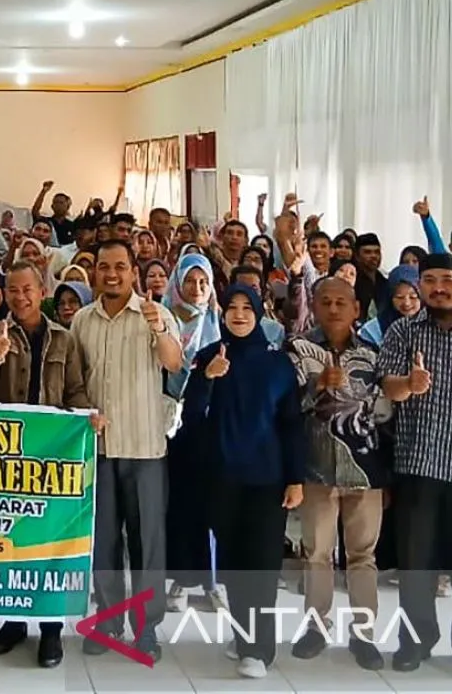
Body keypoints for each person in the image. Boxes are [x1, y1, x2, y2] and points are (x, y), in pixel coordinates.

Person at [182, 285, 305, 679]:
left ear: (258, 313)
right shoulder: (209, 356)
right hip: (222, 478)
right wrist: (207, 379)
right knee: (234, 564)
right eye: (231, 308)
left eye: (246, 308)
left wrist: (295, 477)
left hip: (267, 480)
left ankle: (258, 650)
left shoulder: (277, 364)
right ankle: (243, 635)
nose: (238, 315)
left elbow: (291, 424)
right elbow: (190, 417)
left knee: (262, 565)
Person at [0, 261, 97, 667]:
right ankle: (14, 622)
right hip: (9, 457)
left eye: (27, 289)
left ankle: (51, 629)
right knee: (12, 540)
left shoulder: (64, 338)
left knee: (51, 543)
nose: (20, 297)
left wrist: (87, 418)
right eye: (12, 290)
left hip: (52, 458)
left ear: (41, 291)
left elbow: (75, 390)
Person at [71, 240, 183, 663]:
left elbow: (174, 363)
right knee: (102, 542)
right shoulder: (82, 320)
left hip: (144, 447)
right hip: (97, 449)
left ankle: (147, 626)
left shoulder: (156, 314)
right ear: (95, 272)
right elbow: (75, 379)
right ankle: (108, 620)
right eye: (104, 266)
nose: (112, 274)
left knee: (146, 543)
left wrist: (158, 330)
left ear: (134, 272)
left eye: (120, 266)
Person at [286, 277, 391, 670]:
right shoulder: (297, 350)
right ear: (314, 306)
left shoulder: (374, 354)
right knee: (316, 554)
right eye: (325, 302)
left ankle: (364, 635)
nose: (333, 309)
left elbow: (385, 414)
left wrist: (388, 475)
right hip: (315, 468)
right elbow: (285, 406)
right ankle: (316, 628)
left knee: (363, 555)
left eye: (341, 302)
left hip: (365, 470)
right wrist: (317, 386)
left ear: (356, 309)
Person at [377, 252, 452, 672]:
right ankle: (415, 640)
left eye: (447, 280)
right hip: (419, 460)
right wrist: (410, 383)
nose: (439, 288)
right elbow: (388, 387)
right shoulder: (404, 330)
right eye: (430, 280)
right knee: (415, 561)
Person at [161, 254, 224, 614]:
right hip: (167, 425)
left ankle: (214, 583)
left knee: (212, 505)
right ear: (178, 283)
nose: (197, 288)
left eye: (203, 282)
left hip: (207, 427)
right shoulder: (162, 319)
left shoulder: (217, 323)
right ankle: (182, 579)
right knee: (181, 506)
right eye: (189, 281)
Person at [359, 266, 421, 348]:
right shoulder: (373, 330)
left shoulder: (433, 324)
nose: (407, 303)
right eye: (400, 297)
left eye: (413, 296)